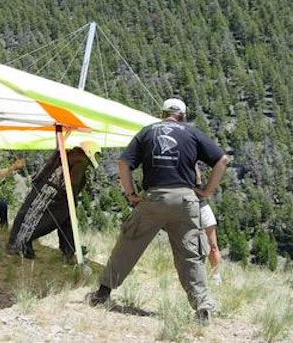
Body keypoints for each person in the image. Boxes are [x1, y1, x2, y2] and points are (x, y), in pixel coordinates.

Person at [86, 98, 228, 325]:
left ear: (162, 113)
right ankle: (202, 306)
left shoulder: (147, 132)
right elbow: (222, 160)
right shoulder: (192, 133)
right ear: (182, 115)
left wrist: (131, 194)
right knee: (190, 255)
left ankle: (102, 293)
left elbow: (123, 163)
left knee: (129, 244)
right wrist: (207, 192)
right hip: (185, 200)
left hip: (154, 198)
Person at [7, 141, 101, 264]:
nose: (97, 157)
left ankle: (69, 250)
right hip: (53, 196)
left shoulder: (68, 154)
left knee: (67, 221)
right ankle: (19, 244)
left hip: (46, 190)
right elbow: (73, 184)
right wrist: (71, 198)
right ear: (89, 151)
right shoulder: (80, 161)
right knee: (38, 220)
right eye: (97, 154)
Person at [195, 163, 222, 284]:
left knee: (213, 246)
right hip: (184, 206)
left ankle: (216, 275)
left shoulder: (193, 163)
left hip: (201, 204)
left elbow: (198, 181)